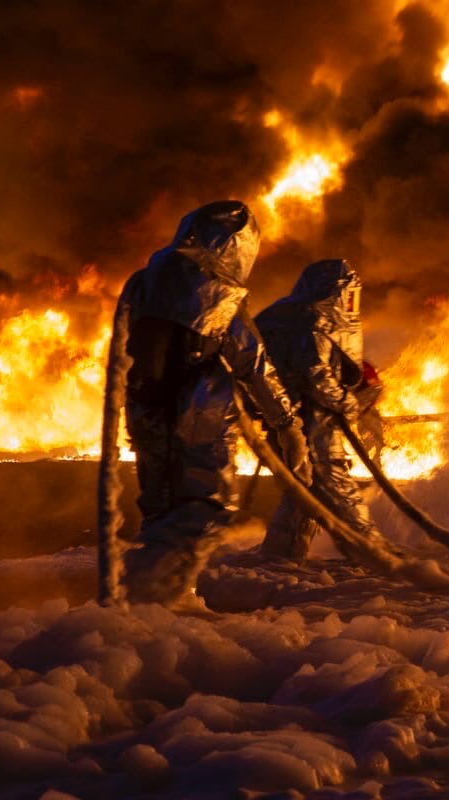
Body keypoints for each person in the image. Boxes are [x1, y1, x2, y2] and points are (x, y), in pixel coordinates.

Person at [117, 200, 310, 603]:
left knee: (160, 507)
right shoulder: (218, 292)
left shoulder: (145, 281)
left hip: (144, 414)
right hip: (199, 420)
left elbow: (122, 346)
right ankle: (158, 595)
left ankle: (153, 595)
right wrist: (286, 423)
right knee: (205, 509)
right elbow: (252, 362)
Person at [254, 258, 382, 561]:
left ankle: (280, 556)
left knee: (303, 493)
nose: (351, 303)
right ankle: (374, 555)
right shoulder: (315, 319)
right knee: (339, 488)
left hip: (283, 421)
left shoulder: (282, 314)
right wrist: (347, 402)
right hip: (314, 424)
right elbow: (314, 372)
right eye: (348, 295)